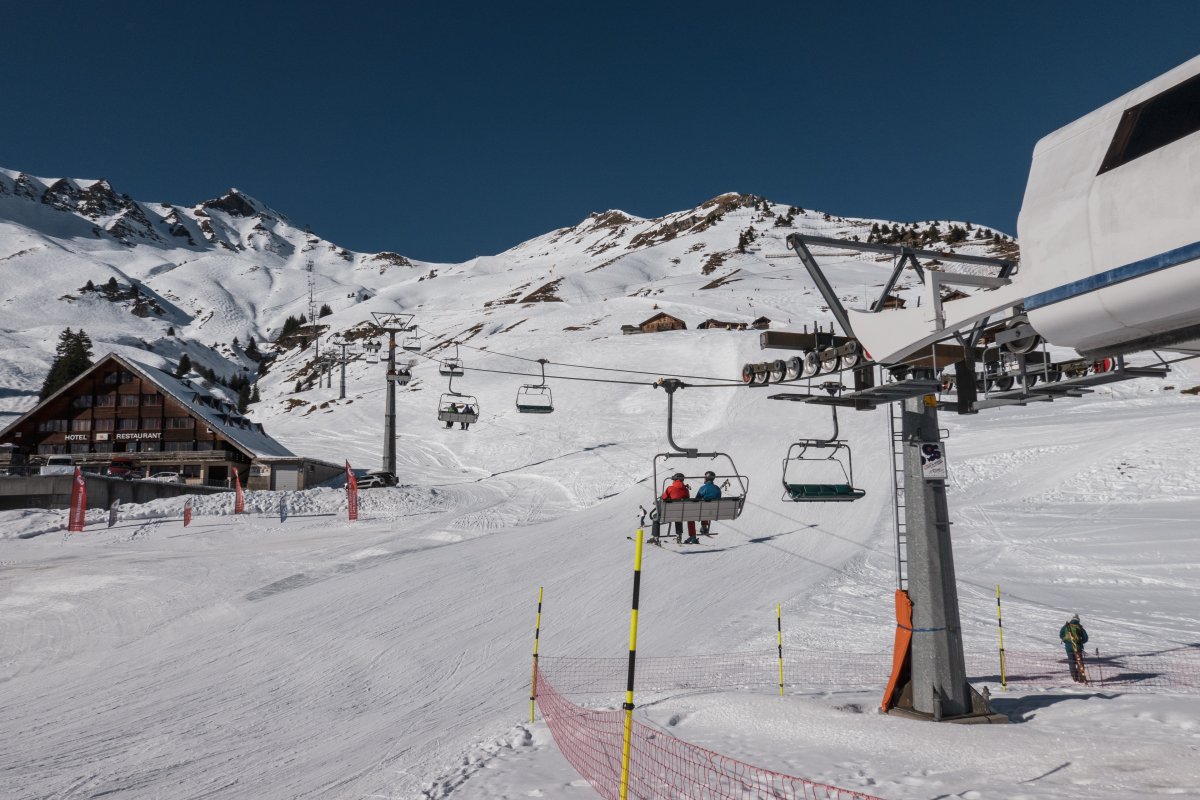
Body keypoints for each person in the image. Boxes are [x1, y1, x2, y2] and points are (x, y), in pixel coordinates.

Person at [661, 472, 697, 543]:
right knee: (680, 513)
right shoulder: (686, 490)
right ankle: (681, 536)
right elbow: (687, 498)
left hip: (671, 513)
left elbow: (664, 498)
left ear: (675, 480)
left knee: (656, 517)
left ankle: (655, 536)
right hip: (683, 512)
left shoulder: (670, 488)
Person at [1059, 614, 1089, 682]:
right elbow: (1086, 638)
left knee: (1071, 662)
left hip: (1069, 647)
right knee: (1079, 662)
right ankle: (1081, 677)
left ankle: (1074, 678)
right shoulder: (1079, 627)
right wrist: (1080, 642)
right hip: (1077, 647)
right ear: (1078, 620)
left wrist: (1066, 641)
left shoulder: (1066, 626)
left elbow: (1061, 634)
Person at [695, 470, 721, 536]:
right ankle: (704, 527)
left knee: (704, 507)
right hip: (715, 510)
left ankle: (702, 528)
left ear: (706, 478)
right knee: (707, 507)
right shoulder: (717, 488)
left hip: (703, 511)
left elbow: (697, 499)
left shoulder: (703, 488)